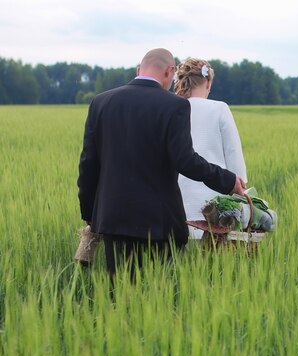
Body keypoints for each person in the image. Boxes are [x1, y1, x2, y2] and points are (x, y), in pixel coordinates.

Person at [77, 48, 246, 281]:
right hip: (159, 222)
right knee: (160, 294)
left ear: (139, 70)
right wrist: (228, 180)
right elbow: (186, 161)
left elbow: (88, 163)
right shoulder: (174, 106)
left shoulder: (101, 102)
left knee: (120, 293)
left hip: (113, 217)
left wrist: (90, 213)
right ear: (169, 71)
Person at [173, 58, 248, 239]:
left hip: (176, 203)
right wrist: (241, 193)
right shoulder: (219, 109)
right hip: (215, 206)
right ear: (208, 82)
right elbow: (233, 155)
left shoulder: (171, 109)